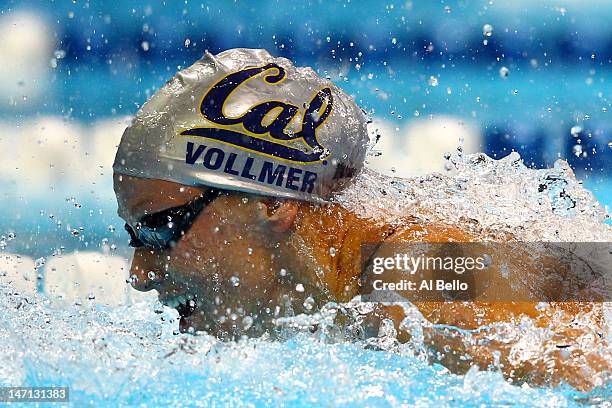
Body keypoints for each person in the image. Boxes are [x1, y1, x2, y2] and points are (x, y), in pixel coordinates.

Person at [113, 49, 608, 390]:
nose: (140, 274)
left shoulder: (411, 281)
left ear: (272, 204)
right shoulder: (352, 284)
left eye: (159, 229)